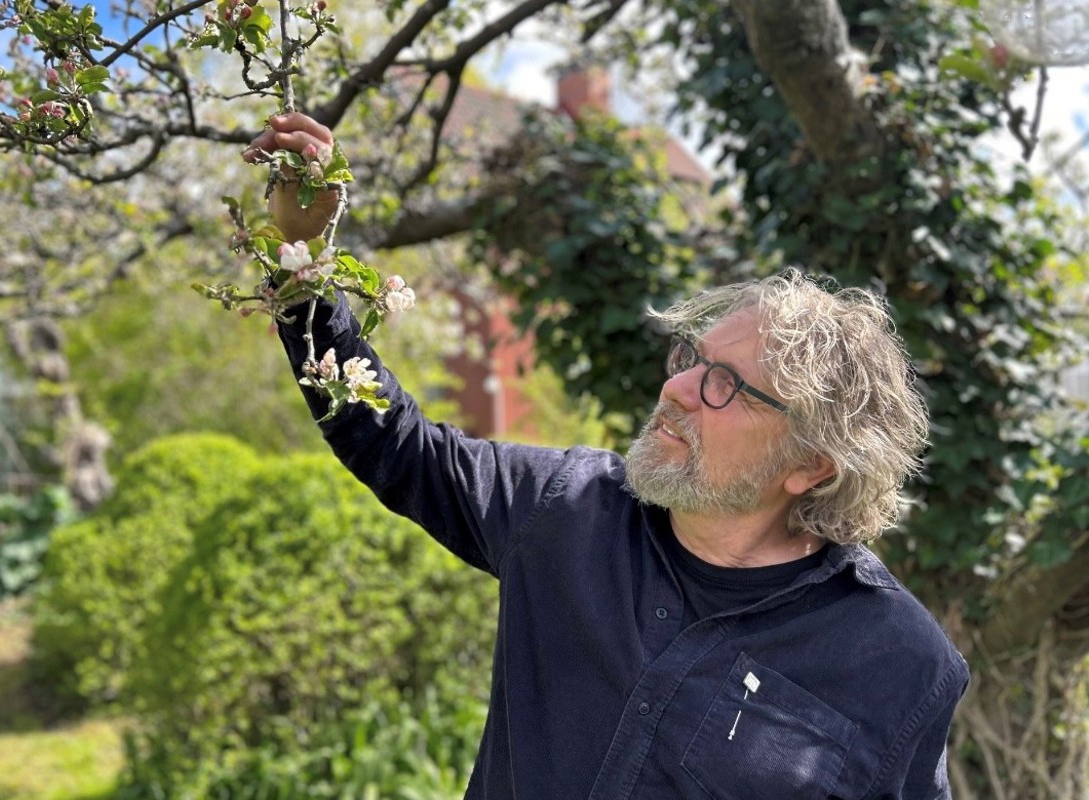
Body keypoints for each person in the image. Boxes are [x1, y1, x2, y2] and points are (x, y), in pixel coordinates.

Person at [245, 113, 969, 800]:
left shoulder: (899, 665)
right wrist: (304, 259)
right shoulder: (564, 509)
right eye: (690, 358)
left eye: (726, 385)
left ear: (812, 464)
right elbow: (393, 442)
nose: (677, 388)